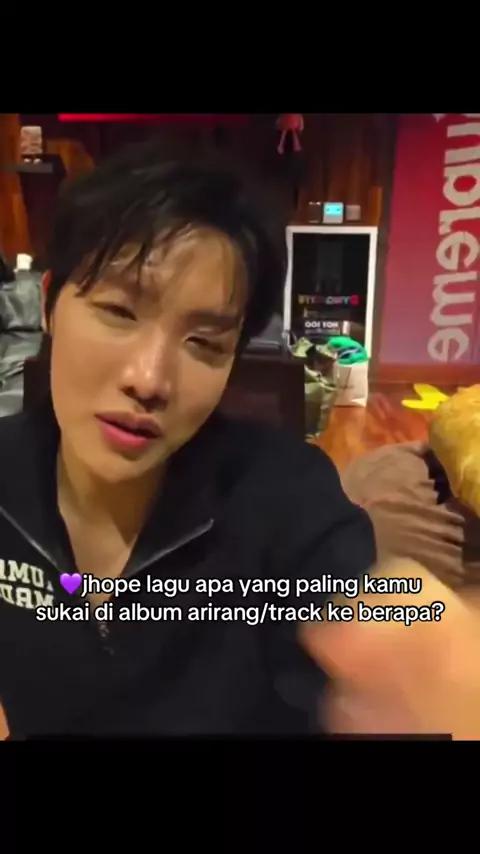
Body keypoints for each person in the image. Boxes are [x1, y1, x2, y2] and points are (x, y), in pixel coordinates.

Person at [0, 138, 477, 739]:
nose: (149, 380)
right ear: (49, 303)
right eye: (119, 312)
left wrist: (425, 662)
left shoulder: (282, 500)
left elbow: (362, 605)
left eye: (204, 342)